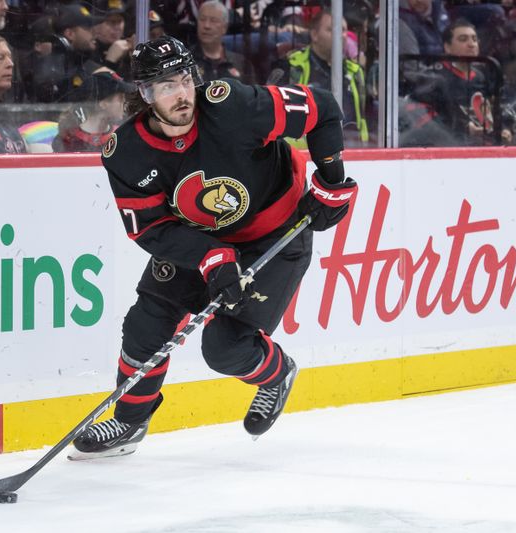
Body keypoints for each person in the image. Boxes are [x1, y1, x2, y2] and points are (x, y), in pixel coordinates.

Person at [69, 36, 357, 458]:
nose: (181, 94)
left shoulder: (232, 105)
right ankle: (130, 421)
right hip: (199, 240)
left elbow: (323, 108)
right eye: (166, 86)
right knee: (147, 323)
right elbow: (150, 229)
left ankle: (276, 374)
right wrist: (211, 257)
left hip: (274, 235)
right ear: (146, 95)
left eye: (184, 79)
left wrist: (331, 182)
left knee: (225, 349)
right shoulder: (126, 153)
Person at [286, 9, 369, 145]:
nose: (340, 35)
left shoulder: (355, 72)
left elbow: (364, 120)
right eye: (332, 30)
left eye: (343, 30)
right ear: (314, 35)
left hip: (351, 151)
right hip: (305, 154)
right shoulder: (293, 66)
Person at [23, 3, 102, 104]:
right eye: (88, 28)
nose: (95, 33)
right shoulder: (53, 70)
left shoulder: (81, 63)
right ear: (70, 34)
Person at [52, 69, 134, 152]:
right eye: (120, 98)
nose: (125, 102)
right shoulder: (68, 139)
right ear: (103, 103)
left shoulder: (122, 136)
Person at [190, 0, 255, 84]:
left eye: (213, 20)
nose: (206, 26)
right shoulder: (187, 61)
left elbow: (252, 95)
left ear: (224, 27)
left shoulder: (241, 63)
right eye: (202, 19)